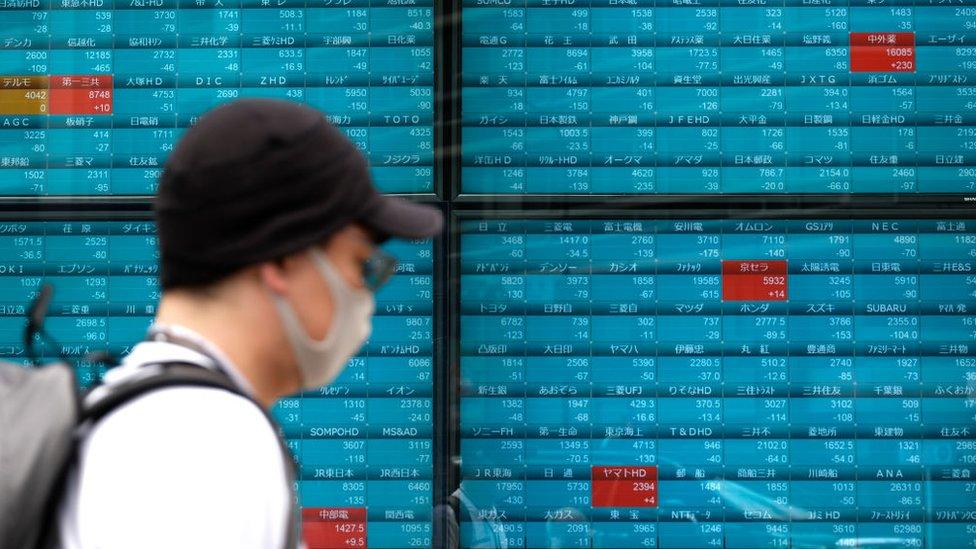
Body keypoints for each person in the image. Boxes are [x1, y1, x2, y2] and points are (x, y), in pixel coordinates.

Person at [56, 98, 444, 549]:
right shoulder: (203, 445)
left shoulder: (142, 411)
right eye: (361, 265)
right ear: (283, 259)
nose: (365, 294)